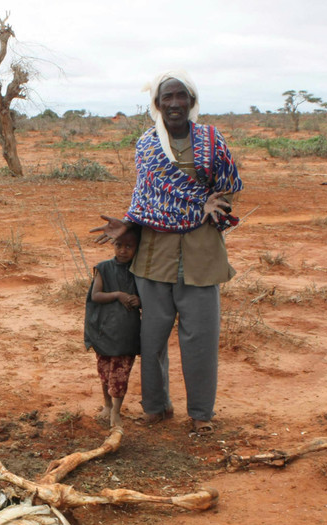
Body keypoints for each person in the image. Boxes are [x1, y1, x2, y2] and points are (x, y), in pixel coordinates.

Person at [92, 70, 243, 434]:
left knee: (201, 342)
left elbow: (229, 187)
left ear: (191, 101)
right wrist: (129, 224)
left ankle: (201, 415)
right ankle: (155, 408)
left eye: (180, 96)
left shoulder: (211, 139)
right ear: (156, 105)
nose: (174, 103)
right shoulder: (146, 145)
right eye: (166, 98)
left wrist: (213, 206)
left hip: (201, 256)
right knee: (152, 339)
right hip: (154, 256)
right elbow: (145, 199)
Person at [84, 227, 141, 429]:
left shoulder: (139, 271)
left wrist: (138, 300)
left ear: (137, 248)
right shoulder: (104, 268)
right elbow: (95, 296)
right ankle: (107, 405)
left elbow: (151, 298)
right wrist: (118, 294)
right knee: (105, 371)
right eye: (119, 245)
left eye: (129, 246)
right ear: (113, 245)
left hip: (126, 333)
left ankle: (116, 411)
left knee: (120, 374)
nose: (123, 251)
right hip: (105, 331)